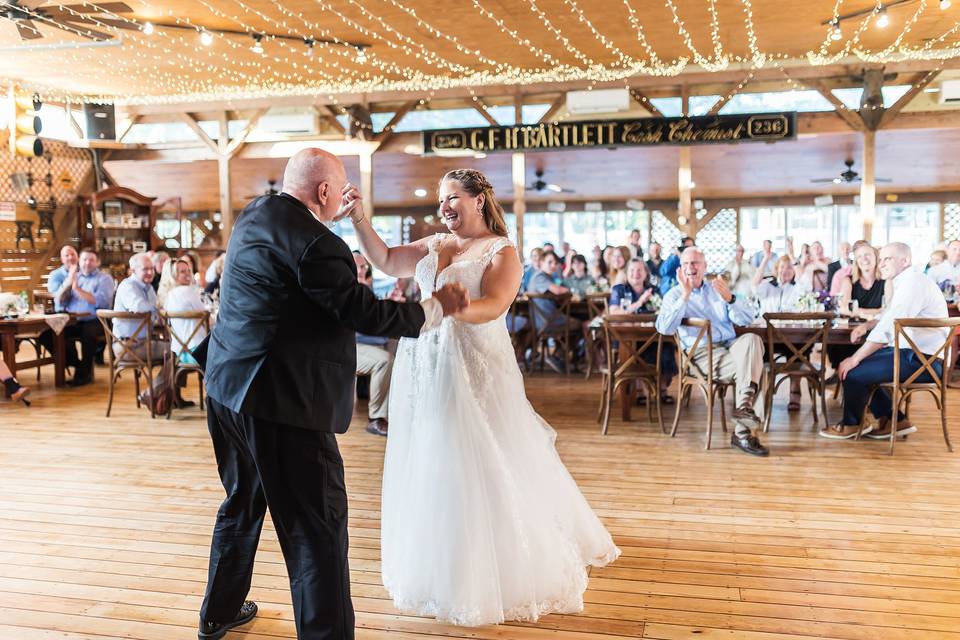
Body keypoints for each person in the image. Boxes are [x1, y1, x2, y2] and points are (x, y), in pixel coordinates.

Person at [197, 149, 468, 640]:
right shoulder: (319, 243)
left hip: (224, 389)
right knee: (316, 532)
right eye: (337, 190)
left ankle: (218, 612)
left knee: (241, 502)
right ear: (324, 193)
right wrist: (434, 309)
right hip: (281, 404)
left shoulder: (253, 215)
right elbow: (363, 312)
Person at [352, 167, 619, 626]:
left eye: (452, 196)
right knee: (431, 450)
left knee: (480, 454)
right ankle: (439, 549)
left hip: (472, 364)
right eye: (441, 199)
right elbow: (386, 260)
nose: (444, 206)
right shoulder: (435, 244)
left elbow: (495, 305)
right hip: (424, 362)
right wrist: (358, 217)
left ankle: (489, 559)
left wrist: (450, 309)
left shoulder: (502, 251)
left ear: (478, 200)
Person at [821, 242, 949, 441]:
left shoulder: (913, 283)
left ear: (905, 260)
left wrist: (855, 358)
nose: (881, 264)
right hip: (916, 355)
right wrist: (867, 325)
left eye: (887, 259)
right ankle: (895, 420)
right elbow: (888, 316)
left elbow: (889, 328)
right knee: (853, 363)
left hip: (924, 362)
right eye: (880, 259)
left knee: (852, 369)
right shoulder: (908, 281)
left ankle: (853, 424)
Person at [656, 247, 769, 456]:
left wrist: (731, 299)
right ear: (680, 269)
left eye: (696, 263)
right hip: (699, 355)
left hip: (730, 347)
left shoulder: (717, 290)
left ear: (705, 267)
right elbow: (664, 329)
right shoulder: (673, 295)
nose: (691, 267)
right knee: (758, 369)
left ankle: (744, 406)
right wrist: (685, 297)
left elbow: (747, 319)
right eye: (687, 263)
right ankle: (743, 435)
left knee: (753, 339)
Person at [44, 246, 115, 386]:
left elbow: (101, 301)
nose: (87, 263)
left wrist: (77, 289)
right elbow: (59, 300)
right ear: (79, 262)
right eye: (84, 259)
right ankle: (78, 365)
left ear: (97, 262)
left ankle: (84, 375)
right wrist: (69, 283)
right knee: (48, 334)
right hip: (74, 320)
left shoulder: (105, 279)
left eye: (91, 260)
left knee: (87, 333)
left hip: (97, 320)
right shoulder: (75, 277)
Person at [610, 258, 677, 402]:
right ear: (627, 273)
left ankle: (662, 389)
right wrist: (640, 302)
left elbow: (663, 311)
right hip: (626, 338)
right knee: (636, 349)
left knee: (666, 346)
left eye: (640, 270)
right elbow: (614, 312)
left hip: (651, 335)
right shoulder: (619, 290)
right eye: (632, 270)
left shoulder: (653, 290)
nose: (636, 273)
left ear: (646, 273)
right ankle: (640, 391)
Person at [826, 242, 890, 382]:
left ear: (876, 257)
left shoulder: (886, 282)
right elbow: (844, 309)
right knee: (836, 343)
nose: (864, 259)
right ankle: (846, 380)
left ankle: (861, 381)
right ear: (855, 260)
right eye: (859, 256)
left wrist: (858, 311)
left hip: (876, 331)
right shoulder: (848, 281)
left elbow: (888, 311)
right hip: (851, 330)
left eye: (867, 255)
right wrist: (874, 312)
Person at [752, 255, 808, 411]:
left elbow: (806, 283)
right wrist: (764, 258)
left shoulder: (798, 288)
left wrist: (794, 258)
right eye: (783, 267)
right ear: (776, 269)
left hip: (793, 337)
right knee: (758, 351)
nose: (786, 270)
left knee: (799, 351)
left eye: (790, 267)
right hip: (768, 337)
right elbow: (754, 284)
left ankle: (794, 393)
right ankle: (759, 394)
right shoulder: (767, 286)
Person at [352, 252, 396, 437]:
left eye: (364, 267)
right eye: (357, 266)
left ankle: (397, 408)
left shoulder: (364, 289)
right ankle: (376, 418)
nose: (361, 270)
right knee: (385, 359)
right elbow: (359, 332)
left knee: (399, 347)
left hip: (361, 342)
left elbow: (373, 321)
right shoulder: (348, 291)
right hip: (347, 346)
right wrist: (383, 338)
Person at [164, 257, 209, 408]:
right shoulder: (188, 291)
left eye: (188, 270)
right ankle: (214, 400)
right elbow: (207, 318)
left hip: (180, 354)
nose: (187, 274)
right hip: (198, 353)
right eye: (182, 271)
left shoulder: (169, 295)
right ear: (173, 275)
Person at [527, 250, 581, 373]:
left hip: (548, 319)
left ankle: (557, 355)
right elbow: (556, 290)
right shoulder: (540, 276)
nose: (553, 265)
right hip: (547, 321)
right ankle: (557, 356)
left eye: (555, 263)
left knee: (572, 322)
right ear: (541, 262)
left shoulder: (547, 276)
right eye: (549, 262)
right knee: (579, 324)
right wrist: (571, 290)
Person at [112, 253, 170, 363]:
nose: (150, 272)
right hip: (127, 346)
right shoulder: (127, 286)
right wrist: (161, 310)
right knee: (177, 351)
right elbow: (139, 307)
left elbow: (154, 314)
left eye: (152, 269)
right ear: (133, 270)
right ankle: (161, 381)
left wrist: (159, 315)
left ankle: (162, 380)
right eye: (145, 269)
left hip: (144, 342)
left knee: (178, 349)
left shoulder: (149, 288)